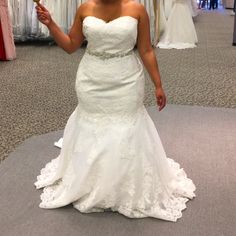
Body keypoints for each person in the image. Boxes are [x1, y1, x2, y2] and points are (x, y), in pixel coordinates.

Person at [34, 0, 196, 221]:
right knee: (92, 123)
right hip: (91, 78)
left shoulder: (137, 9)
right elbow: (72, 45)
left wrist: (158, 84)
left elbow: (146, 49)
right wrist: (51, 24)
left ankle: (123, 182)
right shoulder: (85, 8)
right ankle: (91, 181)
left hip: (126, 79)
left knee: (126, 124)